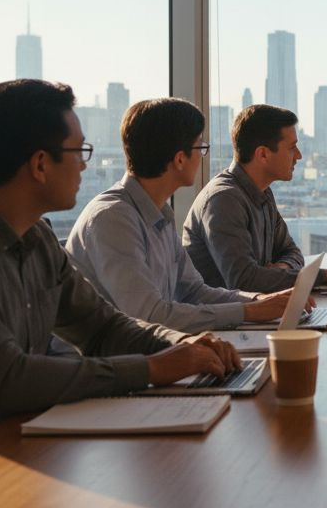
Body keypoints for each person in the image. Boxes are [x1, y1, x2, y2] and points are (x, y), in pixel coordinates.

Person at [0, 80, 239, 463]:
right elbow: (6, 381)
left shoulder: (35, 238)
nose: (86, 165)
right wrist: (154, 367)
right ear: (39, 164)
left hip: (5, 448)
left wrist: (185, 347)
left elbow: (103, 328)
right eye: (78, 151)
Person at [66, 98, 302, 332]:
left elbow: (194, 292)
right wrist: (249, 312)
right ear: (180, 159)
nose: (202, 156)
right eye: (200, 147)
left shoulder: (158, 215)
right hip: (119, 362)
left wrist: (259, 301)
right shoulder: (112, 218)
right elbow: (149, 316)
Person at [183, 105, 327, 293]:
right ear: (263, 154)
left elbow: (292, 252)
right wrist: (324, 277)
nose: (298, 156)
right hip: (224, 320)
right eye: (291, 148)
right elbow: (245, 281)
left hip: (253, 314)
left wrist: (282, 269)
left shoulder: (262, 193)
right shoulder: (223, 200)